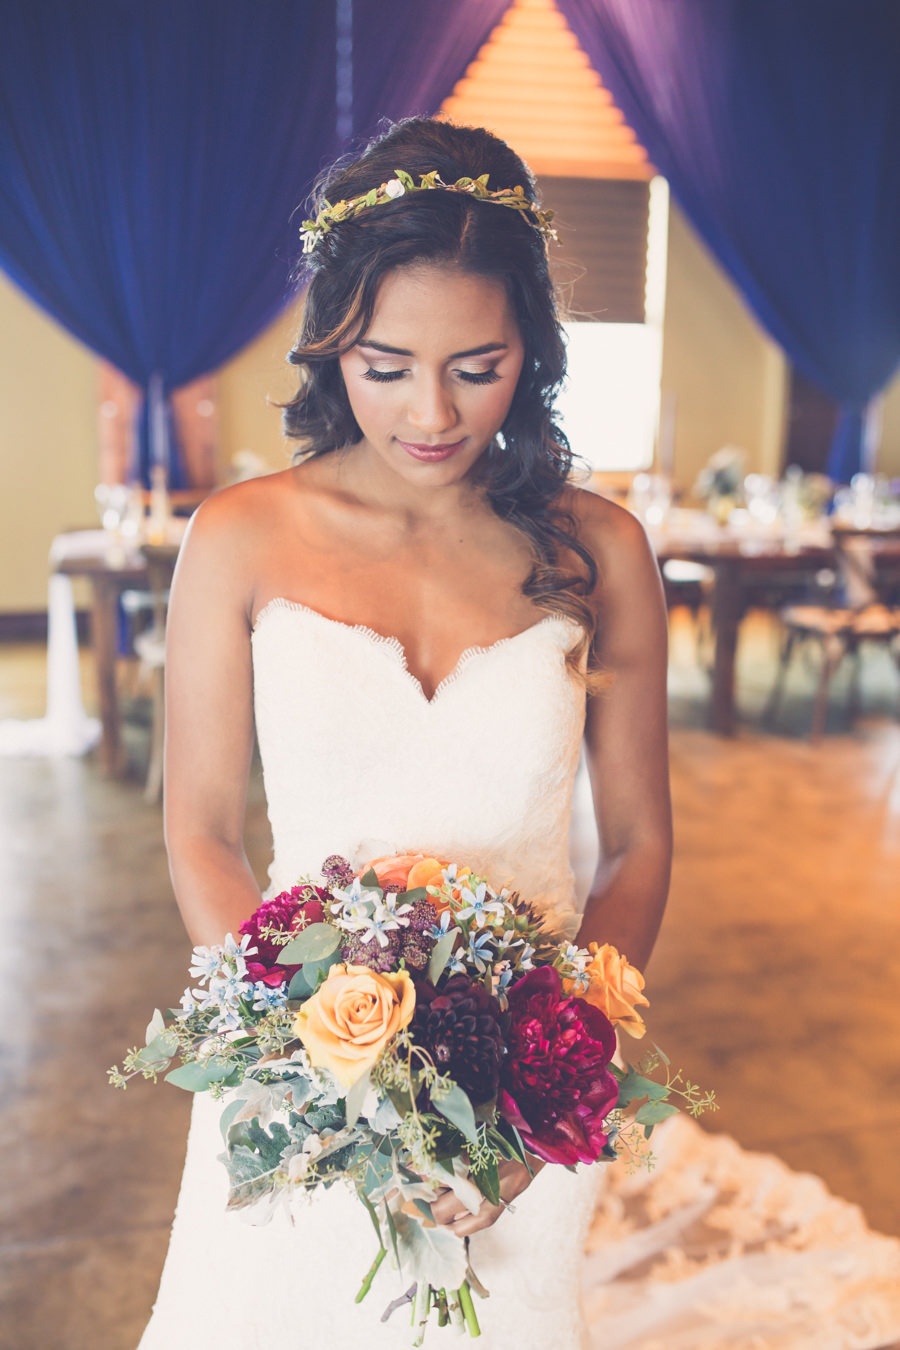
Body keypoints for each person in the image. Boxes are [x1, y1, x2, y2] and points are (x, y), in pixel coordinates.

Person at [139, 117, 900, 1350]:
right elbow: (203, 835)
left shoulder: (601, 550)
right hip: (300, 1066)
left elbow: (640, 846)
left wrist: (547, 1089)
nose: (430, 413)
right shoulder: (241, 537)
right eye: (384, 366)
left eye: (475, 365)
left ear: (532, 351)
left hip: (528, 1107)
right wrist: (329, 1073)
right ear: (331, 345)